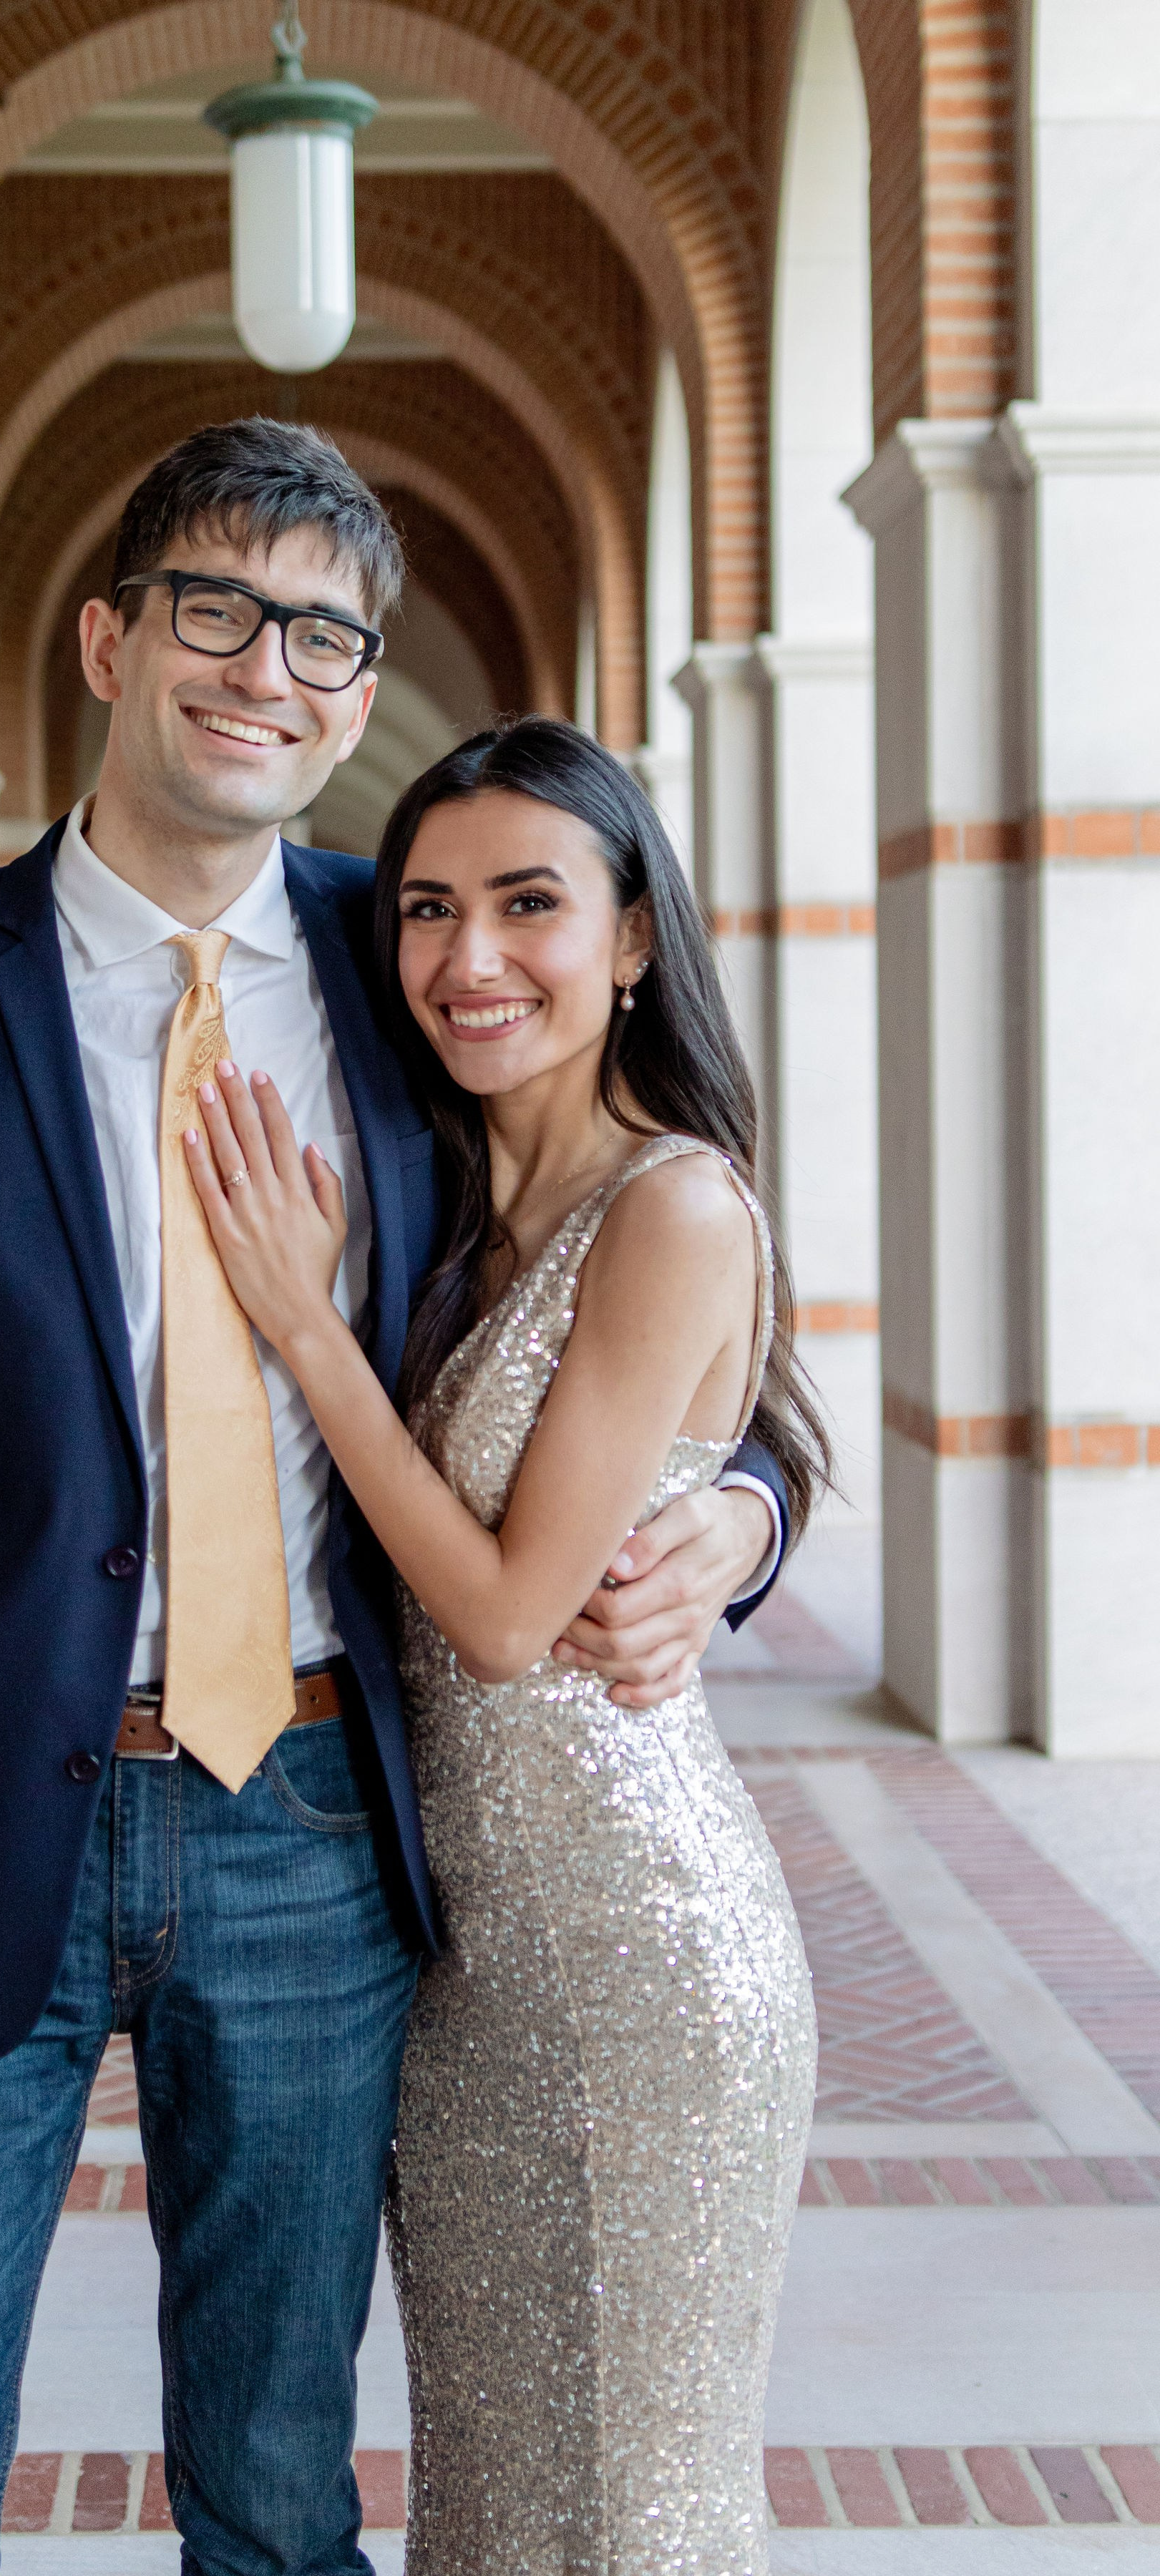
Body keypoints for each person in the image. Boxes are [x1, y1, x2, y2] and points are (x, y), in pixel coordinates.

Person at [0, 420, 789, 2576]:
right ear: (114, 640)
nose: (266, 666)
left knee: (283, 2500)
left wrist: (738, 1514)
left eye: (324, 632)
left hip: (313, 1823)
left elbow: (650, 1282)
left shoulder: (416, 984)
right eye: (218, 605)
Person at [181, 716, 824, 2575]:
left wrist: (304, 1327)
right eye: (431, 910)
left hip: (641, 1967)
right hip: (463, 1986)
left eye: (530, 905)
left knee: (638, 2508)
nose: (471, 961)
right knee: (494, 2508)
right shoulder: (444, 1200)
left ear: (632, 941)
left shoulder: (676, 1204)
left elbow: (511, 1609)